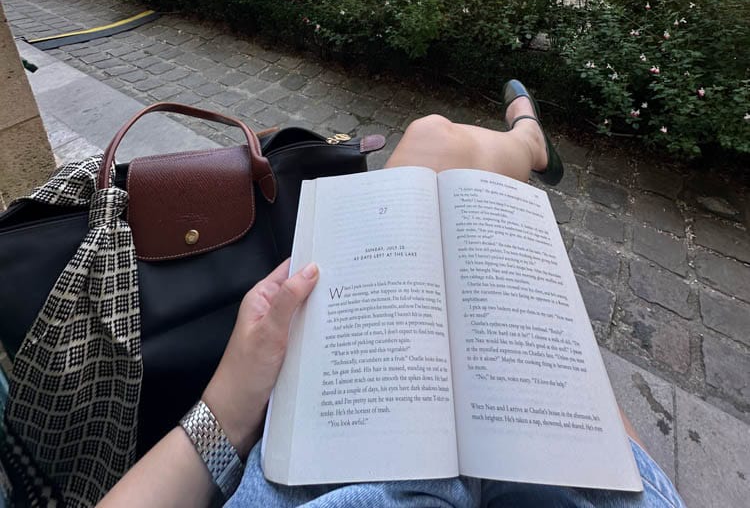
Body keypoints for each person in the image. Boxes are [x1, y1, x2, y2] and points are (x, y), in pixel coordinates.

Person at [100, 81, 685, 508]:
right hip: (572, 489)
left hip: (332, 471)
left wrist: (230, 401)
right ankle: (528, 141)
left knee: (431, 143)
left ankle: (527, 141)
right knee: (449, 175)